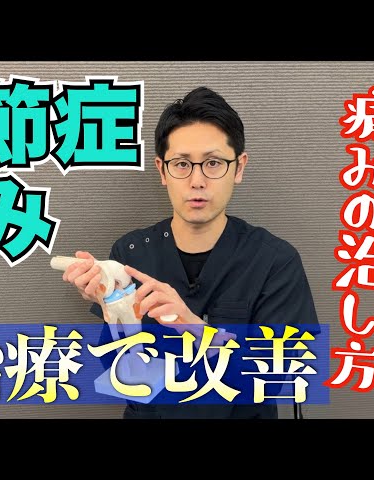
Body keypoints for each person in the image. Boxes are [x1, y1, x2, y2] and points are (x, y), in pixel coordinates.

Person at [61, 86, 321, 419]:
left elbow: (287, 376)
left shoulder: (274, 260)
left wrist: (195, 328)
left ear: (239, 167)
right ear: (162, 170)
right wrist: (110, 303)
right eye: (182, 164)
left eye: (213, 163)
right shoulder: (130, 253)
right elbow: (120, 369)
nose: (197, 180)